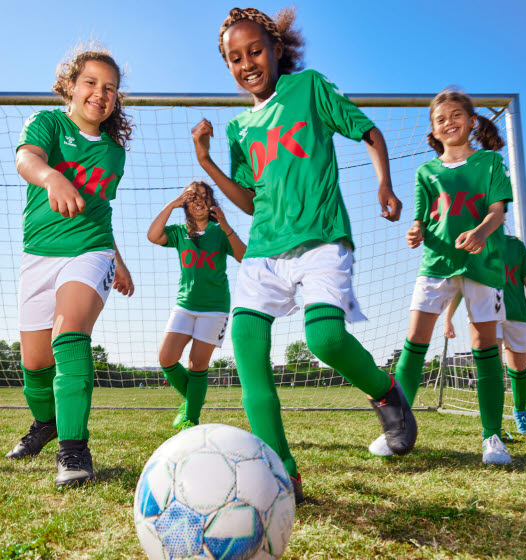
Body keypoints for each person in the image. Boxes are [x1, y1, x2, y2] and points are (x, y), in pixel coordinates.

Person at [191, 6, 417, 503]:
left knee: (325, 338)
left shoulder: (308, 87)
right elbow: (250, 201)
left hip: (321, 240)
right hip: (264, 250)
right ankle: (283, 474)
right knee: (247, 351)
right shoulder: (237, 130)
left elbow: (369, 132)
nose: (247, 63)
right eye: (235, 57)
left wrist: (384, 182)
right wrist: (206, 159)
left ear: (276, 50)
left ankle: (385, 392)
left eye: (255, 51)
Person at [5, 47, 135, 487]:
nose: (100, 93)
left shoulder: (114, 154)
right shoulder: (47, 123)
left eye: (110, 88)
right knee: (35, 366)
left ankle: (74, 450)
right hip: (39, 253)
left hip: (90, 250)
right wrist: (52, 177)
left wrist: (115, 259)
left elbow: (99, 212)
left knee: (70, 334)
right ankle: (46, 424)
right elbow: (26, 159)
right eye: (91, 83)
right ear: (70, 86)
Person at [369, 88, 513, 464]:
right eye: (440, 119)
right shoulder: (426, 171)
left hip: (483, 264)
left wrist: (481, 232)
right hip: (436, 264)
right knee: (414, 342)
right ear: (433, 130)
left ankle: (492, 437)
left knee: (484, 348)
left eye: (455, 116)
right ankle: (395, 429)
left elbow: (497, 211)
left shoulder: (490, 163)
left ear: (472, 121)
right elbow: (419, 222)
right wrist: (414, 233)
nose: (449, 123)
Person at [147, 181, 245, 428]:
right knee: (166, 358)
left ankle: (191, 418)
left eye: (203, 196)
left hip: (214, 307)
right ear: (185, 204)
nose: (198, 200)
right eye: (192, 197)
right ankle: (191, 401)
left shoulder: (219, 231)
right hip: (185, 305)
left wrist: (225, 224)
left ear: (211, 202)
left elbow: (244, 255)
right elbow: (153, 236)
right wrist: (172, 204)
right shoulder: (180, 232)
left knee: (197, 364)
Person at [444, 229, 526, 434]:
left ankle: (520, 411)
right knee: (492, 368)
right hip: (485, 315)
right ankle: (494, 424)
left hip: (516, 313)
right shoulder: (469, 245)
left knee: (518, 368)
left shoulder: (516, 246)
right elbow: (459, 285)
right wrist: (447, 318)